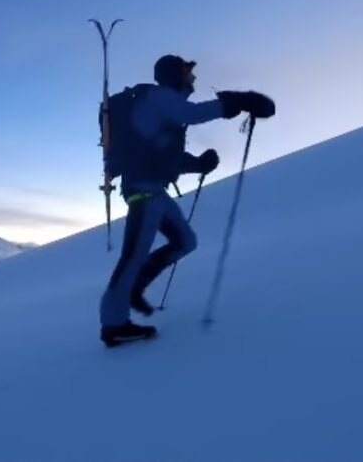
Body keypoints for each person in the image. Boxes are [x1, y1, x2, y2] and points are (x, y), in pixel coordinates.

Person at [99, 54, 275, 347]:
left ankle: (135, 288)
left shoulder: (161, 106)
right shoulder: (160, 98)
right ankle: (113, 324)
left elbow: (162, 153)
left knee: (185, 242)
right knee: (132, 258)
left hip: (153, 190)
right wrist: (240, 101)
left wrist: (198, 164)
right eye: (187, 73)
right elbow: (193, 114)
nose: (192, 79)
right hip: (143, 191)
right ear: (174, 75)